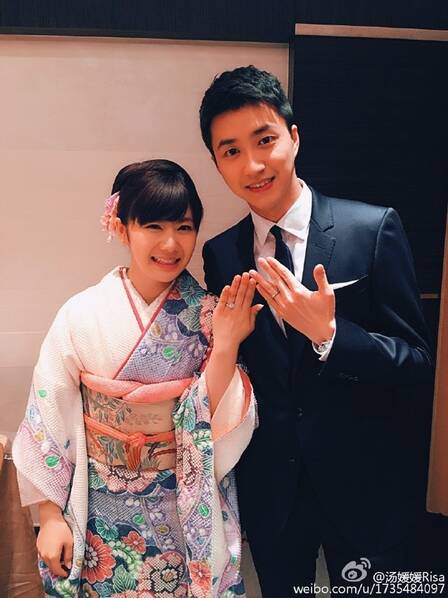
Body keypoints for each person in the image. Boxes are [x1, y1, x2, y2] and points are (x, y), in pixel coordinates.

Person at [200, 66, 434, 596]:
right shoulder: (222, 255)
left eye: (265, 140)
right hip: (273, 489)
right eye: (231, 151)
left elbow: (418, 365)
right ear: (217, 164)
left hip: (365, 482)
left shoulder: (371, 229)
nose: (253, 164)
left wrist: (331, 335)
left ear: (294, 137)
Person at [13, 159, 261, 597]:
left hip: (183, 512)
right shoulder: (81, 314)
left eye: (184, 228)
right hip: (99, 513)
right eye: (153, 226)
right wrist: (49, 516)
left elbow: (221, 426)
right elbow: (47, 411)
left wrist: (225, 346)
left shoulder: (210, 316)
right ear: (120, 226)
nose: (171, 244)